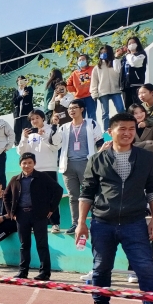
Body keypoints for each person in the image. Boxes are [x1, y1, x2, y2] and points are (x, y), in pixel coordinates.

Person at [76, 112, 153, 304]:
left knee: (145, 269)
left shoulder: (146, 158)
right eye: (122, 129)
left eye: (132, 129)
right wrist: (81, 222)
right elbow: (86, 193)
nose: (128, 133)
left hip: (135, 222)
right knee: (101, 268)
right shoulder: (96, 159)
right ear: (110, 131)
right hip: (102, 222)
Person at [4, 153, 63, 280]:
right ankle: (23, 271)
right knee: (24, 244)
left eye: (30, 162)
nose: (27, 165)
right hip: (21, 216)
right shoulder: (15, 179)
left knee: (42, 244)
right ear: (20, 164)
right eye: (24, 163)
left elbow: (58, 190)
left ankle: (44, 273)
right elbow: (6, 196)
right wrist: (11, 213)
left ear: (34, 163)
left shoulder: (43, 177)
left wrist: (51, 208)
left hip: (39, 215)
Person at [58, 99, 104, 234]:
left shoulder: (91, 123)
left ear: (82, 109)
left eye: (74, 108)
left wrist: (101, 156)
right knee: (73, 196)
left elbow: (99, 141)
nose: (71, 110)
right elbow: (55, 142)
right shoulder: (64, 127)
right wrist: (54, 126)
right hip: (68, 165)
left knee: (90, 193)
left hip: (86, 163)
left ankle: (97, 221)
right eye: (69, 109)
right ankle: (75, 223)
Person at [18, 109, 63, 232]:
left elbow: (56, 146)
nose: (34, 121)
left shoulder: (51, 129)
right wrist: (24, 138)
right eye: (32, 119)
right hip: (34, 170)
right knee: (35, 197)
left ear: (43, 118)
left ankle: (55, 223)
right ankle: (36, 222)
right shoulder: (29, 134)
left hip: (49, 168)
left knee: (52, 197)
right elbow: (22, 153)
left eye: (37, 118)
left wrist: (43, 136)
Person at [91, 44, 124, 130]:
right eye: (101, 52)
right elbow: (94, 81)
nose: (103, 53)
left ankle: (123, 127)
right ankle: (106, 133)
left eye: (105, 52)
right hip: (103, 92)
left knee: (121, 110)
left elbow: (121, 74)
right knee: (105, 113)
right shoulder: (97, 67)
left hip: (116, 90)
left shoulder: (115, 63)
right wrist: (94, 93)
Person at [118, 36, 147, 109]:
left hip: (136, 84)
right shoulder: (125, 58)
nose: (131, 44)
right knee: (128, 108)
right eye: (129, 43)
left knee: (138, 106)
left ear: (137, 43)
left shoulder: (141, 54)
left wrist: (128, 54)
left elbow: (134, 62)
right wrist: (116, 57)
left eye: (133, 42)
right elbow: (117, 69)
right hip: (125, 86)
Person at [67, 54, 96, 122]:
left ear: (87, 60)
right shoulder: (75, 73)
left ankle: (93, 130)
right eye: (79, 60)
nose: (81, 61)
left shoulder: (93, 69)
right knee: (80, 116)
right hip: (79, 98)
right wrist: (75, 91)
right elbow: (68, 84)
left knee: (92, 115)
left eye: (83, 59)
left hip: (90, 96)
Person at [12, 76, 34, 144]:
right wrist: (22, 96)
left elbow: (29, 99)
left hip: (26, 114)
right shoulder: (15, 92)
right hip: (17, 115)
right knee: (17, 132)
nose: (21, 82)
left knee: (28, 130)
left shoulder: (29, 89)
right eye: (19, 81)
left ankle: (30, 144)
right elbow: (14, 101)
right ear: (17, 82)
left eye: (22, 80)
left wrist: (25, 87)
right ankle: (17, 145)